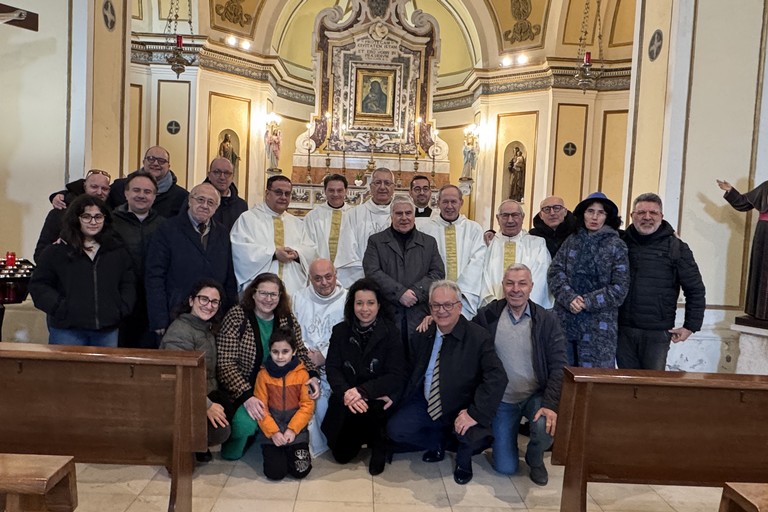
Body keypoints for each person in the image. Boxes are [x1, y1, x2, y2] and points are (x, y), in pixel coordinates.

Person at [387, 281, 507, 485]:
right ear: (430, 308)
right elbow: (408, 370)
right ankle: (437, 443)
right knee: (396, 429)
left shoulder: (478, 337)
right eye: (436, 306)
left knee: (473, 436)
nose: (441, 311)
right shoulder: (424, 332)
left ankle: (463, 460)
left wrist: (474, 413)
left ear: (459, 307)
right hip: (427, 402)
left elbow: (497, 378)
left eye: (447, 305)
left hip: (462, 406)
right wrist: (391, 394)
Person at [473, 264, 567, 485]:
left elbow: (559, 365)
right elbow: (464, 334)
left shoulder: (546, 320)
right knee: (505, 467)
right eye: (510, 283)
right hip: (502, 399)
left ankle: (535, 459)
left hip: (534, 395)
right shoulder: (488, 315)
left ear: (531, 287)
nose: (516, 289)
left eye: (522, 283)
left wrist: (550, 404)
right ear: (503, 286)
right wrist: (435, 319)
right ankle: (506, 443)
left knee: (545, 425)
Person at [216, 273, 320, 460]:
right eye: (263, 293)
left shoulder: (286, 318)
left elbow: (301, 351)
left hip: (279, 387)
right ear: (253, 294)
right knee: (245, 424)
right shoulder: (237, 317)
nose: (268, 299)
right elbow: (225, 363)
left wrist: (312, 373)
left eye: (274, 294)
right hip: (245, 389)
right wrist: (246, 396)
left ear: (280, 297)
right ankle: (238, 441)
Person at [322, 278, 407, 475]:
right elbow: (332, 368)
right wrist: (346, 393)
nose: (364, 309)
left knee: (378, 410)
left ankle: (379, 442)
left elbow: (396, 373)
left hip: (375, 397)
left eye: (370, 303)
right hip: (348, 399)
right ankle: (359, 435)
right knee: (341, 456)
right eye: (359, 303)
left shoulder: (391, 332)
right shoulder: (340, 331)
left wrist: (363, 391)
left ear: (379, 305)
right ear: (352, 305)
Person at [29, 195, 135, 347]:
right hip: (67, 330)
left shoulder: (116, 250)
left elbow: (128, 282)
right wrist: (60, 308)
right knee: (68, 371)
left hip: (107, 330)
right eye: (86, 216)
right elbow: (39, 285)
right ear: (75, 219)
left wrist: (121, 308)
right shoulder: (56, 251)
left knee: (105, 372)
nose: (93, 222)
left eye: (98, 216)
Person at [618, 193, 706, 370]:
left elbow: (695, 289)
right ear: (632, 216)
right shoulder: (619, 243)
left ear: (661, 217)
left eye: (653, 213)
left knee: (652, 390)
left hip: (657, 333)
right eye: (641, 212)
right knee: (624, 389)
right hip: (622, 329)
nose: (647, 217)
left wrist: (690, 326)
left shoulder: (677, 247)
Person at [145, 183, 238, 338]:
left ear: (216, 207)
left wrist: (229, 316)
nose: (204, 206)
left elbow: (228, 276)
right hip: (175, 314)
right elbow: (155, 276)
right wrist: (158, 319)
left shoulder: (222, 233)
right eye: (200, 199)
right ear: (190, 200)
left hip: (212, 316)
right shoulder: (167, 229)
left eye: (210, 202)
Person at [548, 192, 630, 367]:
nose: (594, 217)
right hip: (566, 321)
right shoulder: (572, 240)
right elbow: (555, 272)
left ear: (607, 217)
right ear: (582, 214)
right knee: (562, 378)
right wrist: (569, 297)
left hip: (599, 327)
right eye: (590, 211)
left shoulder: (616, 245)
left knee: (594, 383)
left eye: (600, 213)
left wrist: (586, 301)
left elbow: (619, 288)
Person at [160, 279, 231, 462]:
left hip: (203, 392)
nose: (209, 305)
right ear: (191, 301)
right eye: (203, 299)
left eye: (214, 302)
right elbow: (179, 378)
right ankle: (189, 444)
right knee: (221, 430)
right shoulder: (180, 331)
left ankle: (198, 444)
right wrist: (206, 406)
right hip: (181, 400)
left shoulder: (206, 328)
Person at [363, 195, 445, 346]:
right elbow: (372, 272)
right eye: (399, 213)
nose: (404, 218)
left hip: (421, 315)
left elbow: (437, 273)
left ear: (414, 215)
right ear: (391, 215)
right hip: (388, 314)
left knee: (419, 362)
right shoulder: (376, 241)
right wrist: (399, 293)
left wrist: (415, 292)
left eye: (408, 213)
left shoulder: (429, 242)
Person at [291, 258, 347, 457]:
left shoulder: (348, 299)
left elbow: (349, 336)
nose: (324, 283)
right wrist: (308, 358)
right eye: (318, 279)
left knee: (325, 401)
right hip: (304, 362)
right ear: (310, 279)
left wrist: (324, 355)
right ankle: (299, 444)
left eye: (328, 277)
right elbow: (292, 332)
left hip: (335, 363)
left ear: (335, 275)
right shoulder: (299, 298)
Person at [230, 175, 316, 296]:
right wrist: (274, 254)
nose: (283, 197)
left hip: (292, 289)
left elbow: (310, 250)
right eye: (278, 192)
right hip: (259, 290)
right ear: (267, 193)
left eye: (287, 193)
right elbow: (241, 251)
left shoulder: (296, 223)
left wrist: (297, 254)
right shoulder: (248, 219)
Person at [49, 147, 188, 218]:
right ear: (143, 162)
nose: (155, 163)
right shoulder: (120, 186)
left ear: (169, 166)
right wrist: (61, 195)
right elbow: (95, 194)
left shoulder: (181, 196)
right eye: (151, 159)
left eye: (161, 161)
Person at [112, 171, 165, 348]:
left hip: (152, 306)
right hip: (118, 304)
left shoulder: (165, 226)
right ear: (126, 193)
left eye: (147, 191)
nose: (141, 195)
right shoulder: (109, 223)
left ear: (155, 196)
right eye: (136, 190)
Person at [254, 329, 315, 480]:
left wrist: (292, 430)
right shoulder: (263, 375)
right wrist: (274, 432)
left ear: (294, 351)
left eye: (285, 351)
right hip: (272, 432)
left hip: (296, 432)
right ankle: (279, 453)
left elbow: (307, 406)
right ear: (270, 351)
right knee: (275, 473)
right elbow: (261, 409)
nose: (280, 356)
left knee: (301, 471)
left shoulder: (302, 374)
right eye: (275, 352)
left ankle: (291, 451)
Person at [419, 185, 486, 318]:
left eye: (453, 201)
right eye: (445, 202)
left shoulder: (474, 229)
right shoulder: (425, 230)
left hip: (465, 297)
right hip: (434, 299)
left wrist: (458, 293)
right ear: (438, 203)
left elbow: (477, 262)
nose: (449, 206)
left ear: (461, 202)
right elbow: (423, 265)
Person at [482, 200, 552, 308]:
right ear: (497, 218)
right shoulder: (488, 244)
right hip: (492, 311)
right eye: (505, 215)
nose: (510, 220)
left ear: (523, 217)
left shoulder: (537, 245)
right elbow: (482, 277)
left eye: (515, 215)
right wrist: (493, 305)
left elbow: (540, 280)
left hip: (527, 310)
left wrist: (523, 306)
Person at [334, 168, 396, 287]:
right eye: (377, 183)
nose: (382, 187)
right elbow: (348, 253)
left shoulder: (401, 215)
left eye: (387, 183)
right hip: (363, 282)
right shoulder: (353, 215)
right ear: (370, 186)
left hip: (396, 283)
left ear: (394, 187)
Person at [717, 179, 768, 320]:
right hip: (765, 235)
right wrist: (730, 191)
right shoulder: (766, 186)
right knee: (762, 272)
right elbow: (743, 202)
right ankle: (761, 312)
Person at [35, 169, 111, 262]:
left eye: (104, 189)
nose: (99, 192)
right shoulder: (59, 213)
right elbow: (40, 255)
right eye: (94, 187)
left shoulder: (111, 216)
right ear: (84, 187)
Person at [302, 174, 351, 261]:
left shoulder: (354, 215)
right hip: (320, 269)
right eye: (331, 190)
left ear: (346, 191)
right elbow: (307, 246)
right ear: (324, 191)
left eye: (339, 190)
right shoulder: (313, 217)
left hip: (349, 270)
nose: (335, 194)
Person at [203, 157, 248, 232]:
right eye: (217, 172)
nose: (222, 177)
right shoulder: (197, 200)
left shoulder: (241, 205)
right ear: (209, 175)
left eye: (227, 173)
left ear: (232, 177)